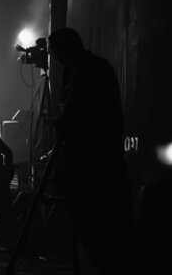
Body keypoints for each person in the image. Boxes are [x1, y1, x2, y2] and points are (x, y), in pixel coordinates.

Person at [48, 28, 135, 273]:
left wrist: (58, 122)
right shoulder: (96, 67)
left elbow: (76, 117)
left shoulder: (84, 73)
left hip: (91, 163)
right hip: (103, 159)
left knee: (95, 232)